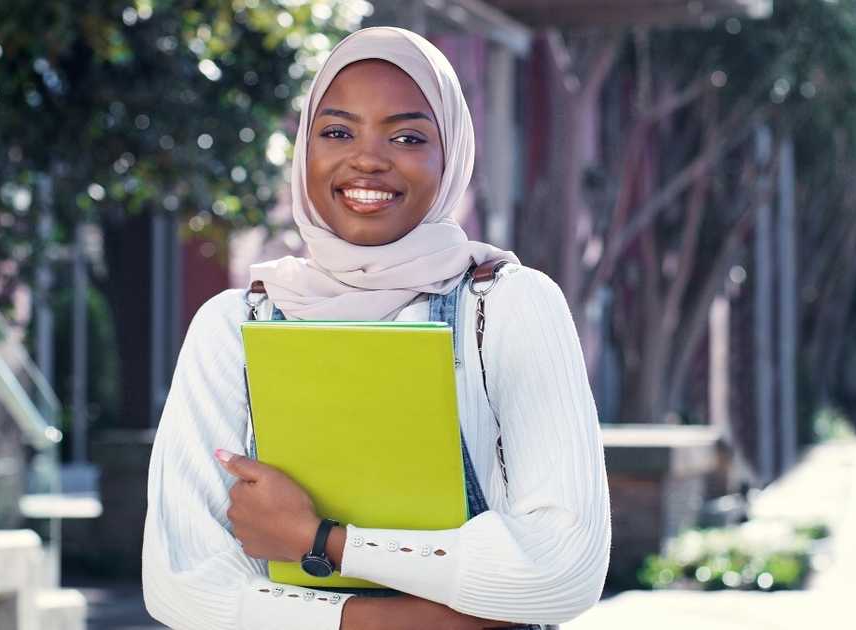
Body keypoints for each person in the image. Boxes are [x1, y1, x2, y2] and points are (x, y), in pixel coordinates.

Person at [142, 26, 610, 630]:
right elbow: (182, 588)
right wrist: (450, 618)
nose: (367, 158)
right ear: (304, 149)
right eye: (336, 132)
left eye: (408, 136)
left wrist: (322, 541)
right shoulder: (233, 327)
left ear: (453, 158)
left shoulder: (507, 307)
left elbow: (562, 571)